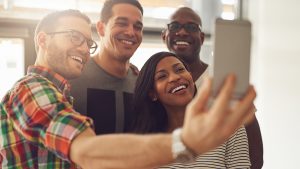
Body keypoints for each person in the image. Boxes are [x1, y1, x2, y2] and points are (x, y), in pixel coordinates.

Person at [0, 9, 257, 169]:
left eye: (87, 43)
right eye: (74, 37)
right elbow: (89, 154)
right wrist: (186, 143)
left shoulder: (62, 94)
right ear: (42, 39)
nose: (82, 49)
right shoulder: (32, 90)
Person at [161, 7, 264, 169]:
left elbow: (255, 153)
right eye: (174, 26)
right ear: (164, 35)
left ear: (202, 38)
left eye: (191, 27)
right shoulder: (157, 85)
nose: (182, 32)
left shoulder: (223, 81)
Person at [131, 51, 251, 168]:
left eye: (180, 69)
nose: (175, 77)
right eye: (162, 76)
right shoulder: (145, 144)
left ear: (192, 79)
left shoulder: (226, 127)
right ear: (152, 94)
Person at [70, 0, 142, 135]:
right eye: (121, 23)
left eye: (138, 27)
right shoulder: (73, 75)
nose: (131, 32)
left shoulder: (141, 82)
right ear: (101, 28)